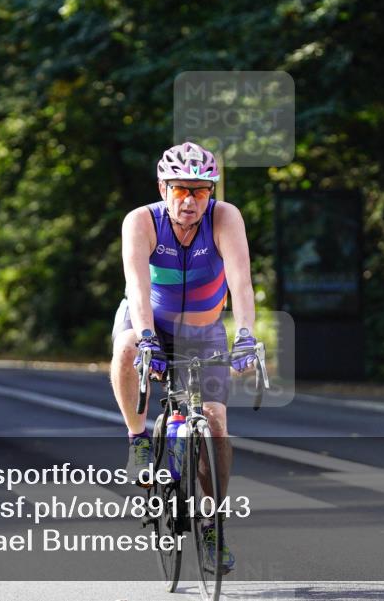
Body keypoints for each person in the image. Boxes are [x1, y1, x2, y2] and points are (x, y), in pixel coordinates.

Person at [110, 141, 260, 574]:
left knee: (215, 422)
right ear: (163, 188)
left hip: (204, 330)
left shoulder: (225, 217)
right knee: (126, 347)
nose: (190, 200)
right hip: (150, 321)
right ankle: (138, 439)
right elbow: (137, 288)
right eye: (180, 190)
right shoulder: (141, 221)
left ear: (211, 192)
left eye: (199, 191)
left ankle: (212, 525)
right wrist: (147, 339)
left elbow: (241, 283)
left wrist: (245, 335)